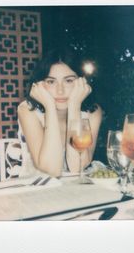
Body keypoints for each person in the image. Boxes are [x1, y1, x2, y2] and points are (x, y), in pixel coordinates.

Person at [17, 47, 102, 177]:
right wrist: (49, 107)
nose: (60, 91)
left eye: (68, 81)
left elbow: (77, 167)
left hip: (76, 188)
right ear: (39, 84)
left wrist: (74, 106)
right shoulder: (27, 110)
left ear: (82, 82)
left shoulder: (92, 113)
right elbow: (52, 169)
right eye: (51, 82)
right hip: (37, 190)